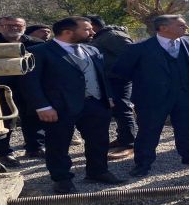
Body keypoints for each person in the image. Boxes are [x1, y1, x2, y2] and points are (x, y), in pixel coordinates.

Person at [23, 17, 123, 194]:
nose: (92, 32)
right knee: (58, 144)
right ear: (68, 32)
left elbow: (101, 75)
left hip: (95, 104)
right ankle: (62, 179)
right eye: (87, 29)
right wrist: (42, 106)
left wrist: (107, 97)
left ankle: (97, 171)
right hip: (59, 107)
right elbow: (31, 82)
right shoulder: (39, 52)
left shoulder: (92, 50)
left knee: (99, 141)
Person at [112, 15, 189, 178]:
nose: (186, 27)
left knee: (188, 129)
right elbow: (121, 72)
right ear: (164, 28)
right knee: (148, 132)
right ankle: (143, 164)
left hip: (188, 96)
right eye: (181, 25)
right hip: (152, 99)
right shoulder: (139, 48)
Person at [0, 16, 45, 167]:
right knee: (5, 120)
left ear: (25, 27)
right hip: (1, 90)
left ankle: (35, 147)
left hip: (31, 88)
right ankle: (3, 152)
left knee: (33, 117)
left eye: (18, 25)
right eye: (8, 25)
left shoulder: (37, 43)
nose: (14, 28)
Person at [84, 15, 136, 159]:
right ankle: (122, 138)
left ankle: (129, 144)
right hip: (106, 79)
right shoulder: (101, 37)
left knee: (122, 108)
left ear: (93, 26)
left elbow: (132, 56)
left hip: (118, 79)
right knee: (115, 109)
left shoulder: (112, 36)